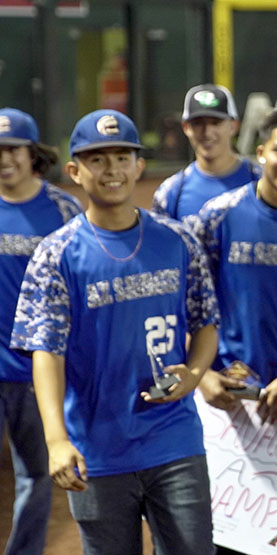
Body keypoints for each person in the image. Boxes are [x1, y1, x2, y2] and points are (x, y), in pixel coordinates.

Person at [11, 109, 220, 555]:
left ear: (139, 166)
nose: (112, 170)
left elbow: (206, 322)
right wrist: (56, 441)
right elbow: (46, 352)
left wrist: (196, 372)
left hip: (174, 441)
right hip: (98, 449)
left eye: (123, 157)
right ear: (75, 171)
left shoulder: (178, 241)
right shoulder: (56, 255)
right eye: (98, 159)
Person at [191, 106, 277, 426]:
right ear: (261, 153)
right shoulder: (218, 215)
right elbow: (190, 301)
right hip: (227, 393)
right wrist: (202, 374)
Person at [0, 107, 83, 555]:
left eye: (12, 149)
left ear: (32, 153)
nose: (4, 158)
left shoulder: (62, 209)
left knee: (36, 474)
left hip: (39, 370)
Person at [152, 83, 260, 222]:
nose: (207, 132)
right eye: (198, 123)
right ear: (185, 127)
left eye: (215, 123)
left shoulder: (261, 180)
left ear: (234, 126)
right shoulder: (171, 193)